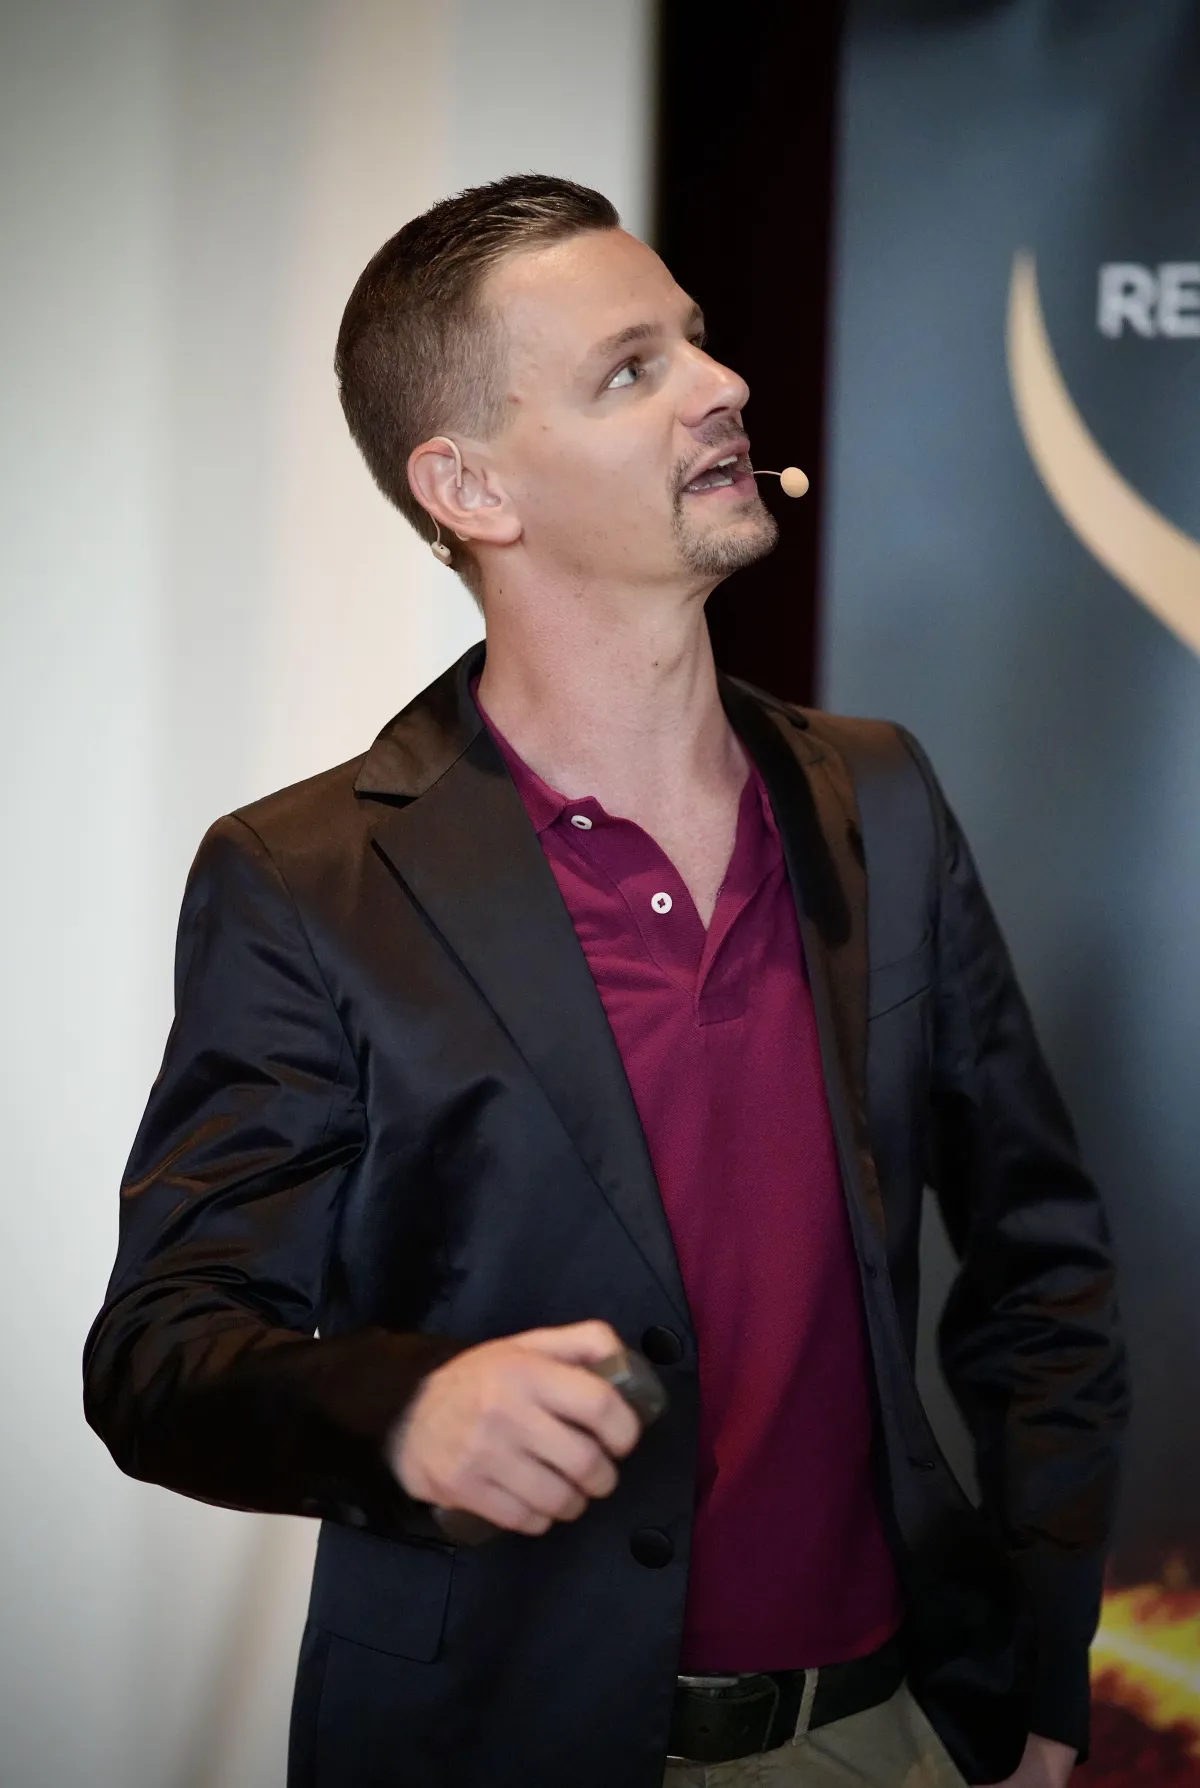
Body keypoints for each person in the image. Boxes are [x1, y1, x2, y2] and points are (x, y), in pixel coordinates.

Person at [83, 174, 1128, 1788]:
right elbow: (160, 1354)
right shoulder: (307, 878)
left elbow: (1042, 1270)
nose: (722, 388)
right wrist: (400, 1411)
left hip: (891, 1733)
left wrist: (1047, 1681)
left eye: (697, 345)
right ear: (471, 486)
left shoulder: (884, 797)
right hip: (496, 1743)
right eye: (631, 372)